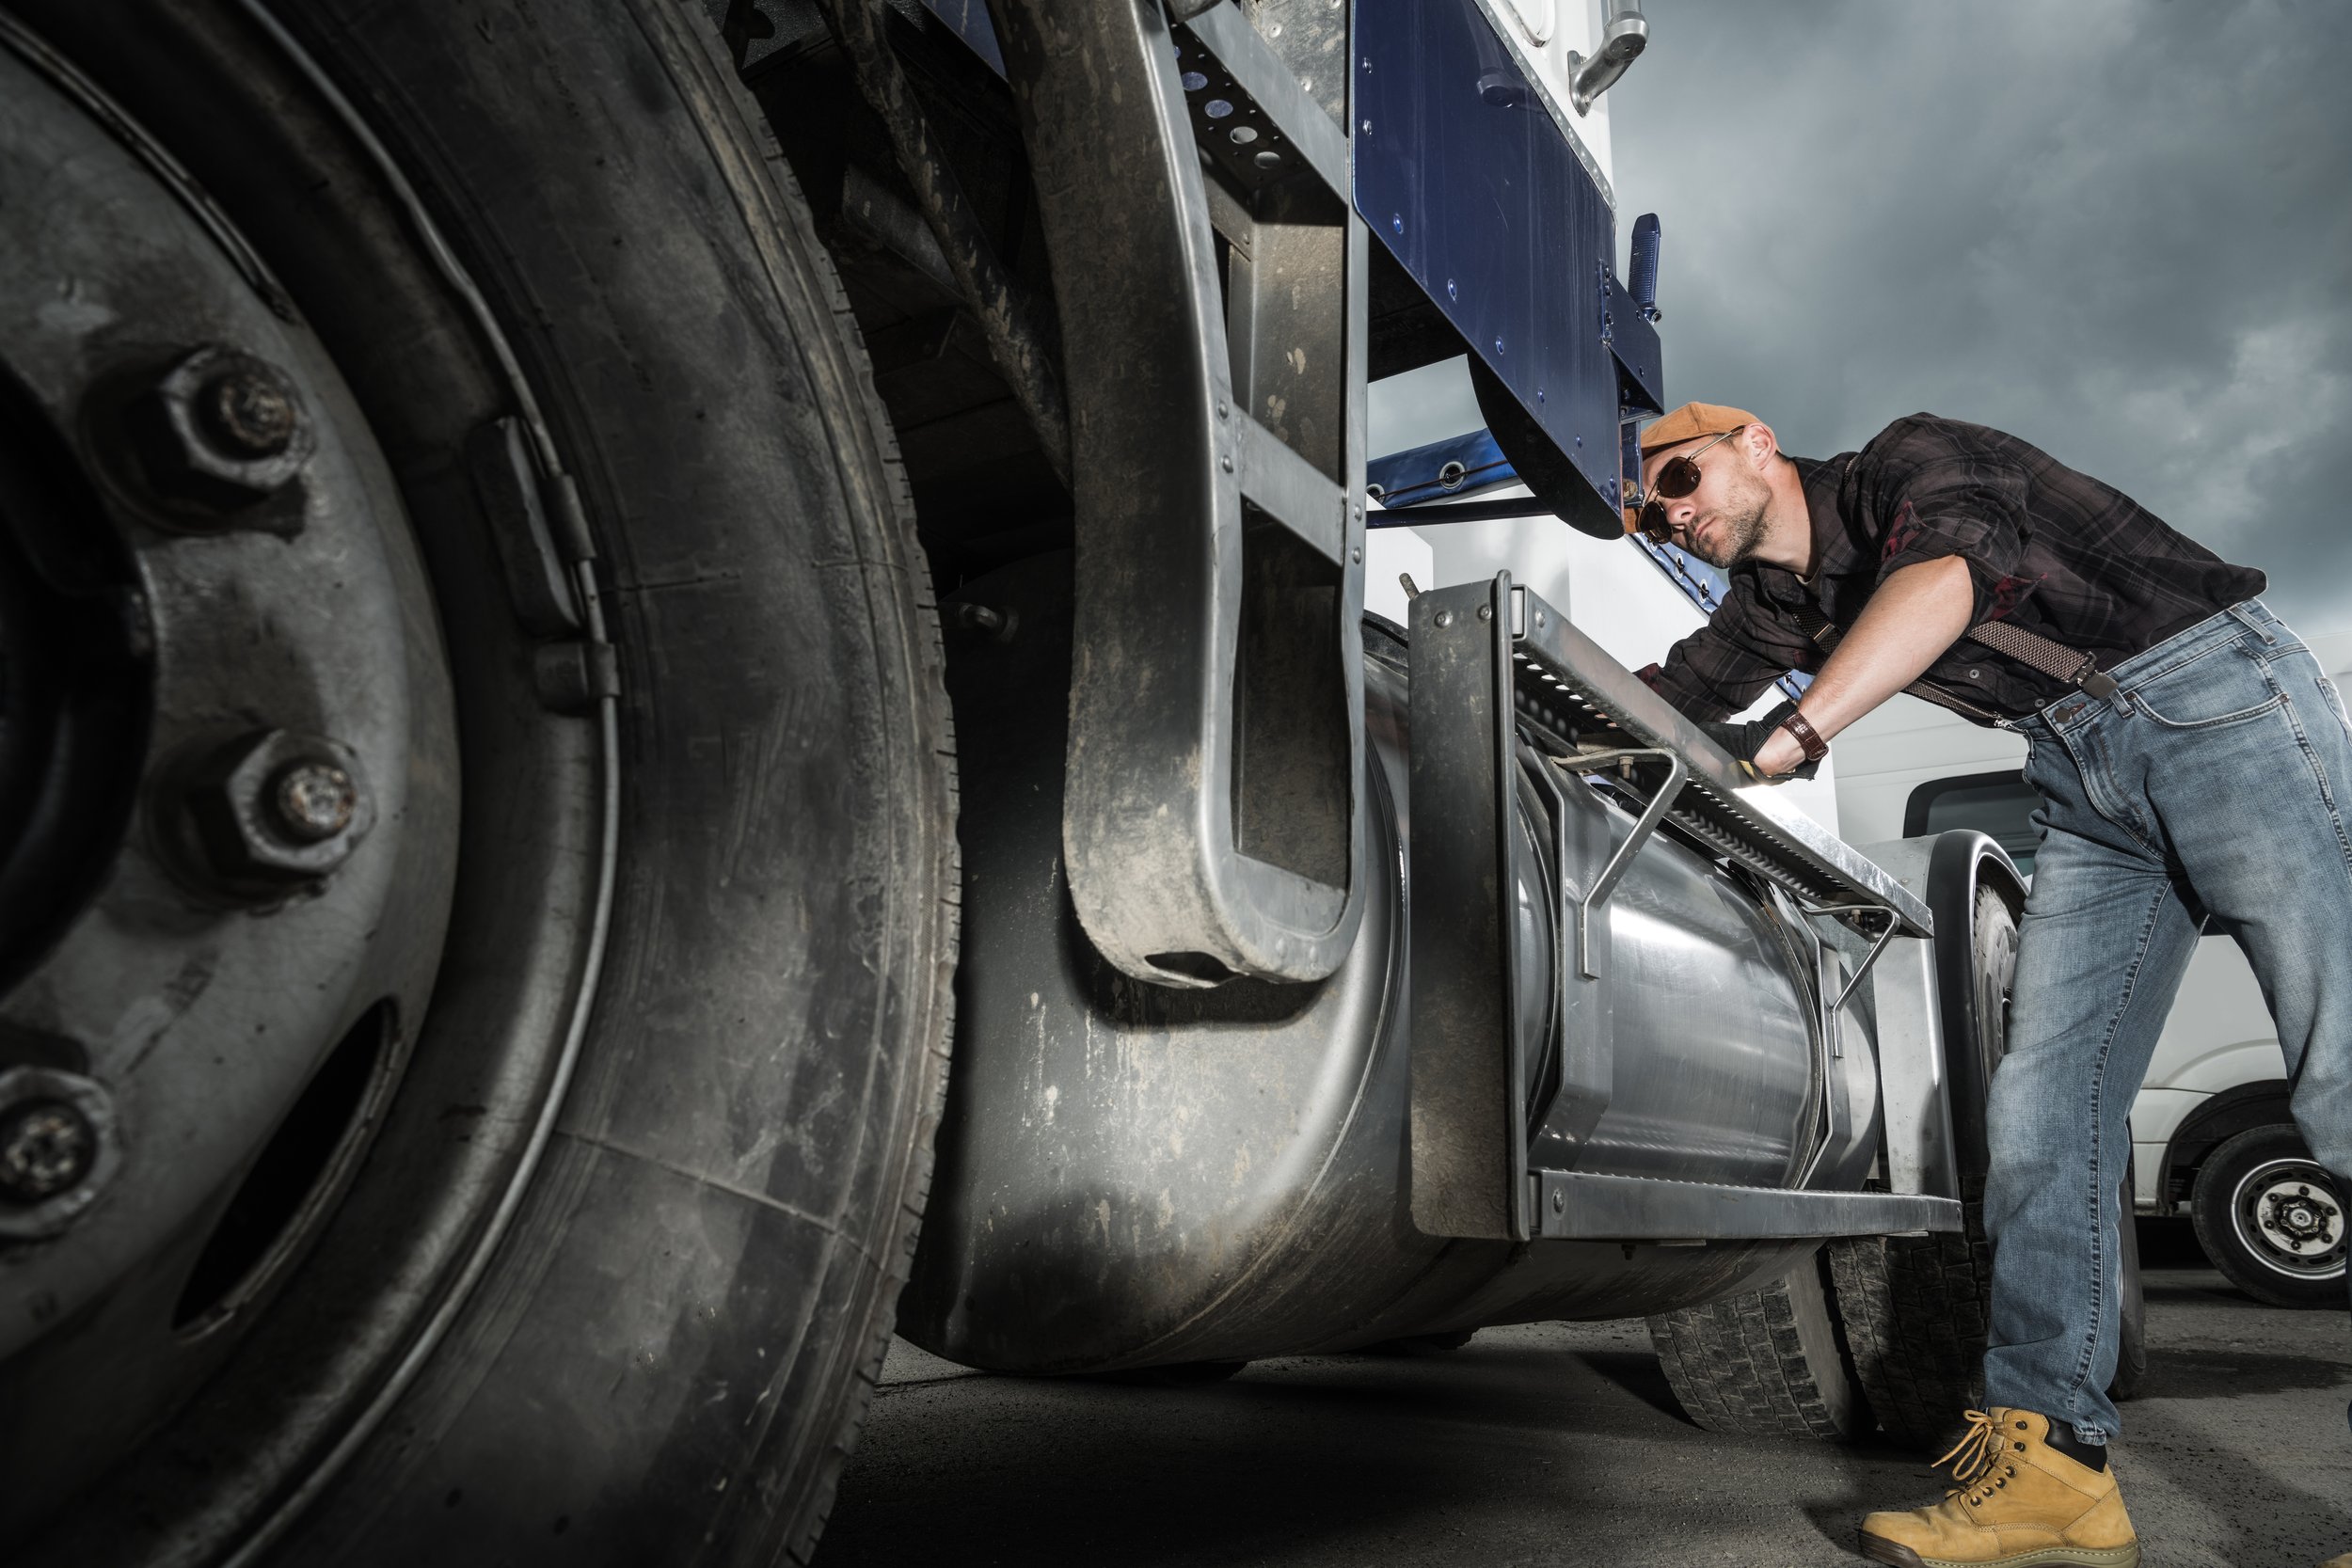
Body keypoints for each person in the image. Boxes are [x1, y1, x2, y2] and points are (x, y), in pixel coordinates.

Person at [1627, 402, 2352, 1568]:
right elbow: (1665, 697)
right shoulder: (1774, 603)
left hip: (2215, 703)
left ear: (1751, 440)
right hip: (2078, 770)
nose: (1668, 510)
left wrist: (1791, 738)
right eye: (1644, 507)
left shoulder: (1909, 461)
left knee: (2340, 1075)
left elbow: (1947, 576)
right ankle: (2057, 1471)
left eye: (1676, 474)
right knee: (2040, 1117)